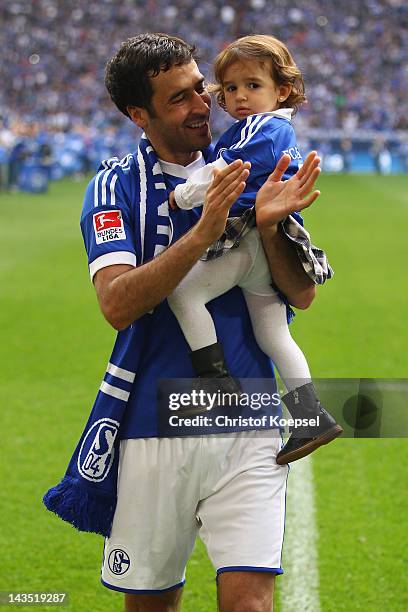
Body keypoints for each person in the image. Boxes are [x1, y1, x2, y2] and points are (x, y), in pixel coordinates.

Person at [78, 33, 327, 612]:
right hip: (153, 425)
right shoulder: (115, 187)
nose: (202, 106)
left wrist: (267, 226)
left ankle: (308, 415)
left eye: (200, 89)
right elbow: (116, 303)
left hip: (251, 420)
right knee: (151, 604)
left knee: (250, 604)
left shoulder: (255, 157)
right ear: (139, 114)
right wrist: (202, 233)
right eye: (179, 99)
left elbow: (302, 295)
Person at [167, 35, 341, 464]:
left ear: (281, 90)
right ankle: (309, 415)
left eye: (253, 85)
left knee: (183, 293)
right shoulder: (261, 126)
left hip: (246, 236)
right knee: (273, 332)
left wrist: (182, 196)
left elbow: (225, 172)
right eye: (230, 88)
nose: (240, 95)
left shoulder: (267, 127)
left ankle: (216, 385)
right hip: (266, 241)